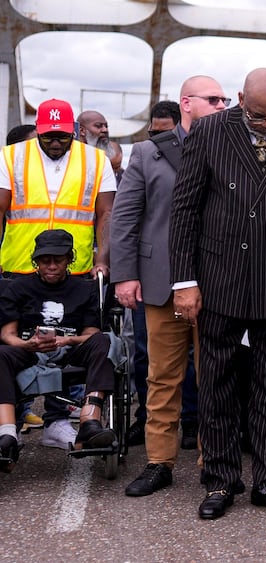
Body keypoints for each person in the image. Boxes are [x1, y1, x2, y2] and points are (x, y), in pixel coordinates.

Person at [169, 68, 266, 520]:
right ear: (240, 99)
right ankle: (220, 481)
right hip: (219, 276)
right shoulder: (210, 130)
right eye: (257, 116)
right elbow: (185, 208)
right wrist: (185, 281)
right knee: (216, 384)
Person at [112, 76, 229, 497]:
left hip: (217, 284)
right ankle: (159, 463)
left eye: (224, 99)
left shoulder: (230, 148)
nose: (222, 104)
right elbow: (126, 217)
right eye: (213, 99)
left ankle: (210, 462)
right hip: (160, 283)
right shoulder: (146, 152)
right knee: (162, 377)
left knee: (215, 377)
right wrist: (125, 275)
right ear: (187, 103)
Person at [0, 98, 116, 449]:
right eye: (48, 135)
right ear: (38, 129)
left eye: (62, 136)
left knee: (71, 343)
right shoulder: (11, 156)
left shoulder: (96, 160)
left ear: (74, 132)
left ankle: (58, 420)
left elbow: (106, 215)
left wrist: (103, 259)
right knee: (15, 345)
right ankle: (10, 427)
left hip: (76, 270)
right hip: (18, 268)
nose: (54, 141)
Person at [0, 229, 118, 469]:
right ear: (36, 261)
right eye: (45, 261)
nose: (51, 266)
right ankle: (7, 433)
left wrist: (68, 340)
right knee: (1, 353)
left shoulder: (85, 289)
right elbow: (7, 334)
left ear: (69, 260)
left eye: (58, 260)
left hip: (70, 349)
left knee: (104, 341)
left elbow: (91, 333)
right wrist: (28, 344)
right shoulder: (18, 288)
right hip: (29, 350)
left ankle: (89, 421)